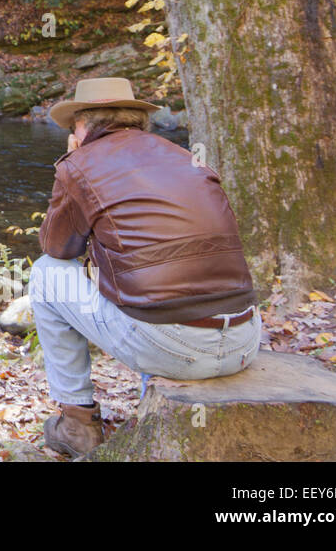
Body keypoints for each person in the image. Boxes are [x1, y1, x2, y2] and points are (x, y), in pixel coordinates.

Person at [31, 77, 260, 457]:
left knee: (43, 272)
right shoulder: (183, 155)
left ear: (82, 126)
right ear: (137, 120)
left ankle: (76, 423)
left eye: (74, 128)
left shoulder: (80, 163)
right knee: (154, 276)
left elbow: (57, 248)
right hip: (244, 339)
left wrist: (71, 163)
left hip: (174, 348)